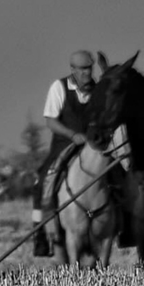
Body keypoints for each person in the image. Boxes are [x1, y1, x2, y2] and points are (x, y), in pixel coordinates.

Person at [31, 50, 95, 257]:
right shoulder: (59, 88)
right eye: (83, 69)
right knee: (42, 182)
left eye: (89, 68)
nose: (87, 73)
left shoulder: (98, 90)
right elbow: (50, 120)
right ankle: (40, 234)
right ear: (73, 70)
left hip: (93, 147)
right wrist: (72, 134)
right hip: (64, 145)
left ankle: (126, 230)